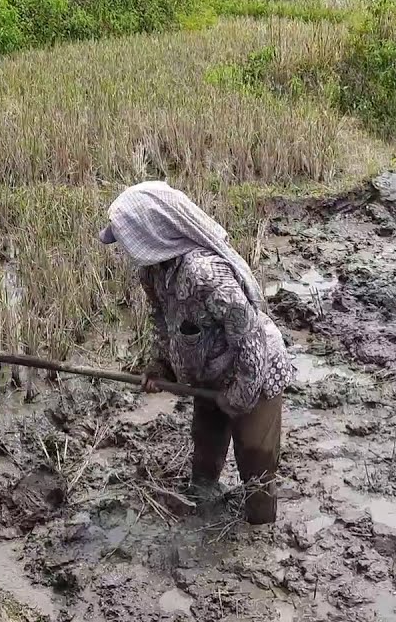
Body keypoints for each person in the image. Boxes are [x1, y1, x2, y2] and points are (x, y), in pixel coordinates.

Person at [98, 181, 293, 525]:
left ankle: (259, 534)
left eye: (126, 239)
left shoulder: (204, 274)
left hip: (255, 374)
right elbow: (163, 321)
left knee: (255, 462)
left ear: (151, 233)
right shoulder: (153, 271)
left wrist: (239, 397)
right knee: (205, 446)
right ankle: (204, 511)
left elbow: (251, 337)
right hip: (208, 373)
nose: (123, 249)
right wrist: (159, 367)